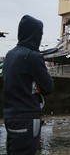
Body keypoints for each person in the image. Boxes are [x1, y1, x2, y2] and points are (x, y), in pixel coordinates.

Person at [2, 15, 54, 155]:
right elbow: (49, 87)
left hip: (10, 116)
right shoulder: (32, 57)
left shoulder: (10, 55)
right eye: (40, 34)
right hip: (27, 117)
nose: (40, 38)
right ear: (34, 34)